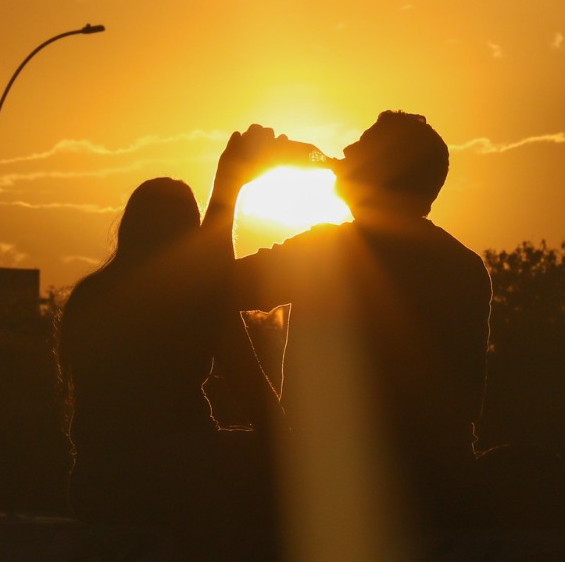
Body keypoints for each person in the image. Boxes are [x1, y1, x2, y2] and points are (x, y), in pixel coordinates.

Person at [205, 112, 493, 522]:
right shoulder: (464, 266)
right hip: (439, 487)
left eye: (362, 146)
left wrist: (229, 183)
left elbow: (213, 288)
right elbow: (462, 403)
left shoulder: (331, 251)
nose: (346, 151)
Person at [58, 177, 277, 526]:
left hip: (94, 481)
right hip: (174, 469)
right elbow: (250, 389)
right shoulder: (194, 300)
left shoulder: (89, 295)